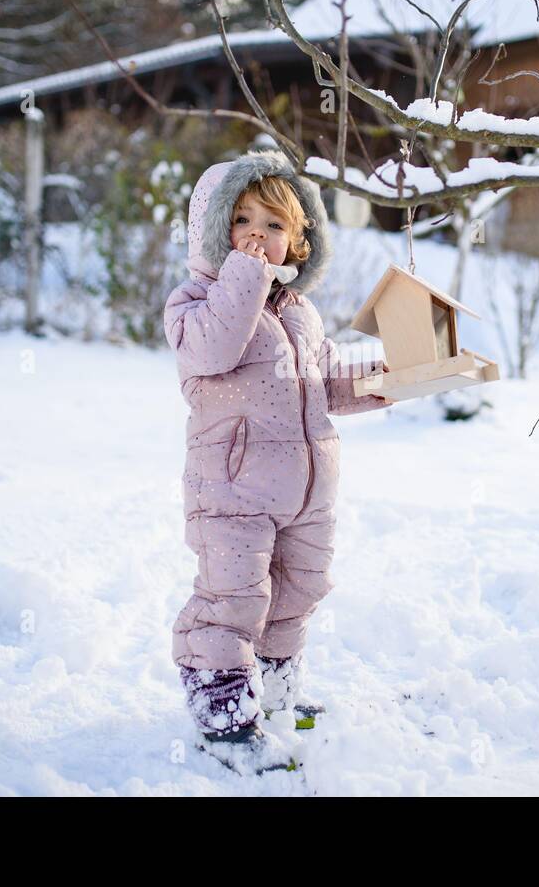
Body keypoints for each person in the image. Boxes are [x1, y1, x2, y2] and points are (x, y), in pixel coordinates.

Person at [162, 150, 392, 771]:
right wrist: (245, 274)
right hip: (231, 490)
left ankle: (275, 693)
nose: (257, 236)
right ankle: (226, 719)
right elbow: (213, 350)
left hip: (306, 490)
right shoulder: (194, 305)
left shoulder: (301, 314)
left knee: (299, 591)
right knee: (233, 597)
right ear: (213, 231)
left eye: (274, 224)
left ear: (298, 241)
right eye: (241, 221)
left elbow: (324, 384)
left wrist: (386, 377)